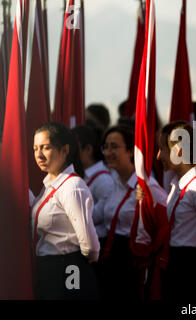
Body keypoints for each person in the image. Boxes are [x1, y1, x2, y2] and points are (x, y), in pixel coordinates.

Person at [95, 125, 166, 300]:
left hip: (133, 263)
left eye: (114, 147)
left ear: (130, 151)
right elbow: (96, 216)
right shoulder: (114, 184)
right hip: (111, 261)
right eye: (106, 147)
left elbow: (165, 221)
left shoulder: (148, 187)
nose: (108, 152)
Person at [31, 122, 100, 299]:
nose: (39, 155)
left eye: (46, 148)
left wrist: (73, 263)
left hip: (67, 267)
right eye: (35, 148)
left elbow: (90, 246)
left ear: (64, 150)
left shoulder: (72, 186)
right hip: (48, 267)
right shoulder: (49, 184)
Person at [156, 121, 196, 300]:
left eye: (163, 149)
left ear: (179, 151)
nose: (159, 155)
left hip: (190, 264)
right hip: (176, 259)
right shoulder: (177, 184)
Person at [71, 125, 114, 239]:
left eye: (74, 149)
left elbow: (102, 216)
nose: (70, 154)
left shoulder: (104, 180)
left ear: (88, 149)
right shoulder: (83, 175)